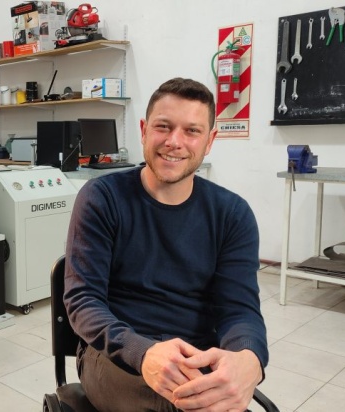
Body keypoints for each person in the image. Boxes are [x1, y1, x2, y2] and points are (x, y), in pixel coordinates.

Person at [64, 78, 268, 412]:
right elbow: (82, 300)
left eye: (192, 131)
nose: (174, 142)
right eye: (163, 126)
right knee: (178, 403)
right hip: (116, 355)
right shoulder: (102, 199)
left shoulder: (232, 214)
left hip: (195, 354)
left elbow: (240, 308)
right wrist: (143, 352)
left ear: (209, 140)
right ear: (144, 131)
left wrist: (249, 356)